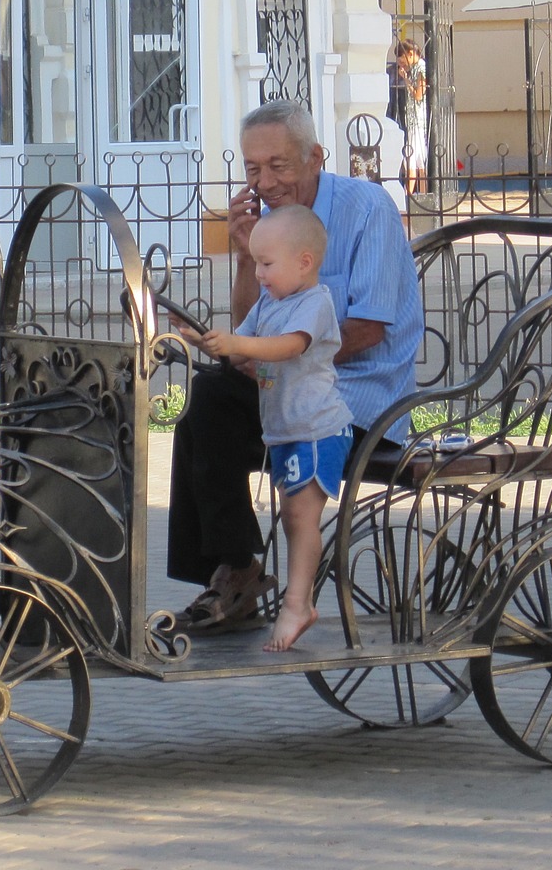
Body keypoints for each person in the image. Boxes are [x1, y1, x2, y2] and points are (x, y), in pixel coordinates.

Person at [166, 99, 422, 635]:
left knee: (214, 400)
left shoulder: (366, 208)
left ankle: (236, 572)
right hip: (294, 389)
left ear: (315, 158)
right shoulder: (276, 225)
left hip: (357, 400)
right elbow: (251, 326)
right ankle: (236, 569)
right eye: (253, 168)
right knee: (203, 406)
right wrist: (243, 258)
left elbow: (370, 329)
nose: (266, 182)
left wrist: (264, 356)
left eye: (279, 166)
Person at [181, 204, 354, 651]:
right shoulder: (271, 302)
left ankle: (298, 603)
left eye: (266, 263)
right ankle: (295, 599)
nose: (258, 273)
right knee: (292, 516)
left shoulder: (315, 304)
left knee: (300, 518)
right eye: (255, 262)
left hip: (317, 430)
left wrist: (238, 341)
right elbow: (238, 355)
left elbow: (284, 348)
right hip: (285, 430)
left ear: (304, 262)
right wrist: (197, 339)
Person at [395, 39, 428, 196]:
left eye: (403, 59)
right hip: (415, 119)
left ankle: (408, 195)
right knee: (419, 158)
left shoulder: (420, 68)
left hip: (417, 119)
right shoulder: (417, 68)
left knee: (411, 156)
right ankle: (422, 193)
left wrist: (406, 79)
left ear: (410, 54)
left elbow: (418, 95)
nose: (402, 64)